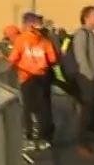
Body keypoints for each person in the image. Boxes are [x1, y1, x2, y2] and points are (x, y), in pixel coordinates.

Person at [6, 13, 57, 150]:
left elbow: (13, 59)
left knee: (28, 108)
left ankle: (29, 138)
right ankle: (45, 138)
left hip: (27, 77)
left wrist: (9, 66)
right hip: (43, 76)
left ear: (26, 24)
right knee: (44, 108)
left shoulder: (21, 40)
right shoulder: (44, 40)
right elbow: (52, 58)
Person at [68, 6, 94, 157]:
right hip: (87, 78)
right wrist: (89, 75)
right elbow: (82, 57)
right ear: (86, 17)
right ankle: (82, 143)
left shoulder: (93, 35)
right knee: (87, 109)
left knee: (92, 109)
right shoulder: (82, 34)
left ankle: (88, 139)